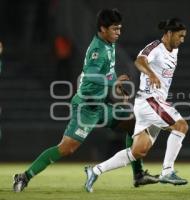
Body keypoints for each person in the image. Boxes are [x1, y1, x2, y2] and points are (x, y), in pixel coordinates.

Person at [13, 8, 159, 192]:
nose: (118, 33)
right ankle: (24, 176)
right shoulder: (98, 51)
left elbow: (109, 71)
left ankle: (138, 175)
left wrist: (115, 83)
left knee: (133, 124)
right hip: (87, 107)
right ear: (102, 28)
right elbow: (91, 78)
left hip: (101, 104)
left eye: (119, 29)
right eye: (115, 29)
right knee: (66, 148)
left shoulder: (109, 44)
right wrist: (111, 88)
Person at [84, 18, 188, 193]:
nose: (182, 40)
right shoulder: (155, 47)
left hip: (150, 102)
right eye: (180, 36)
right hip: (150, 101)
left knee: (137, 151)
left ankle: (95, 170)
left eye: (184, 36)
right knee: (181, 126)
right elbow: (140, 61)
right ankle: (167, 171)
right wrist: (151, 74)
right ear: (169, 33)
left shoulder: (174, 50)